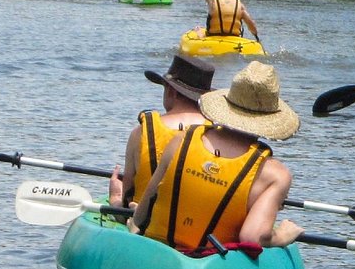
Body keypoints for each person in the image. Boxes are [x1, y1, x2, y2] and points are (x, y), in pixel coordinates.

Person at [117, 62, 304, 252]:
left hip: (157, 252)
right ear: (271, 117)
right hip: (212, 263)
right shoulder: (275, 175)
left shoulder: (180, 141)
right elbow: (252, 237)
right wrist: (280, 236)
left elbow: (141, 216)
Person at [108, 53, 215, 208]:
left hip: (142, 223)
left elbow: (126, 202)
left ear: (171, 91)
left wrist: (115, 197)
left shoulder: (140, 132)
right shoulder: (218, 134)